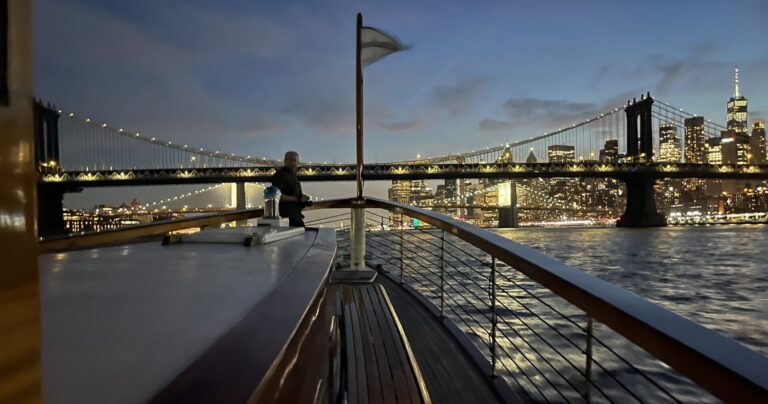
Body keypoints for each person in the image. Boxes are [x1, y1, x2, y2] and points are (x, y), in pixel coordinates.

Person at [271, 151, 312, 227]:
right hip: (287, 219)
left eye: (294, 160)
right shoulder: (281, 175)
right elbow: (275, 195)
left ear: (298, 162)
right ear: (285, 161)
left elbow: (291, 193)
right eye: (289, 160)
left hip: (295, 216)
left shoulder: (292, 175)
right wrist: (297, 199)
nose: (292, 163)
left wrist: (302, 200)